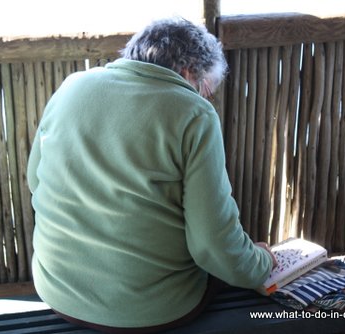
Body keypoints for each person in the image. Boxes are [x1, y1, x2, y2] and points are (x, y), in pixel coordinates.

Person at [27, 17, 277, 333]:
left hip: (57, 290)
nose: (205, 99)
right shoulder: (194, 113)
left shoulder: (72, 86)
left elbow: (35, 182)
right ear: (189, 75)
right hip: (150, 309)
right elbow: (212, 245)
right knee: (233, 276)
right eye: (207, 91)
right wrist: (261, 262)